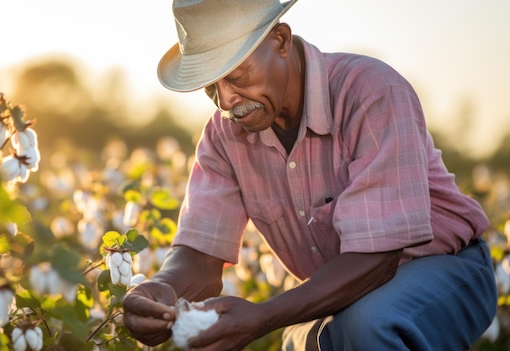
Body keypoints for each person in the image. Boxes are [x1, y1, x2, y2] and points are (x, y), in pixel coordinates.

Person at [122, 0, 498, 350]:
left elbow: (379, 258)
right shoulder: (223, 134)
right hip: (337, 295)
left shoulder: (370, 91)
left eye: (236, 75)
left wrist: (264, 316)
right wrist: (161, 289)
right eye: (211, 87)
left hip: (445, 271)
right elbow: (200, 258)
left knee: (369, 325)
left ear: (280, 40)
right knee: (306, 339)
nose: (226, 101)